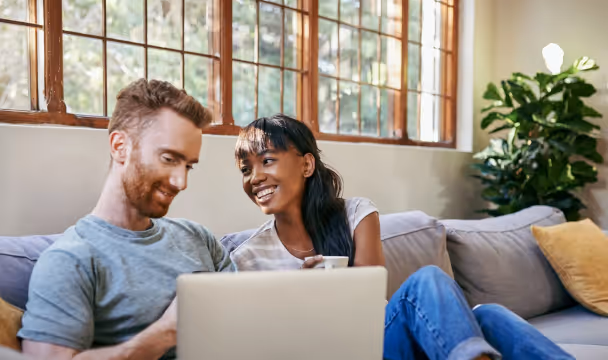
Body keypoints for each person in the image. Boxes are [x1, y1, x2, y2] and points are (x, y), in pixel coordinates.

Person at [230, 114, 574, 360]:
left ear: (306, 166)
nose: (255, 177)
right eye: (246, 169)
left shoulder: (355, 215)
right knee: (424, 284)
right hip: (341, 351)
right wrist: (305, 299)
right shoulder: (247, 258)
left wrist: (335, 287)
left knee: (489, 315)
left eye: (268, 161)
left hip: (383, 337)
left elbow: (371, 302)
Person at [18, 79, 233, 360]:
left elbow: (245, 322)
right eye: (169, 158)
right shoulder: (71, 259)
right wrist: (166, 332)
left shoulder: (198, 238)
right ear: (120, 146)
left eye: (188, 165)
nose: (182, 182)